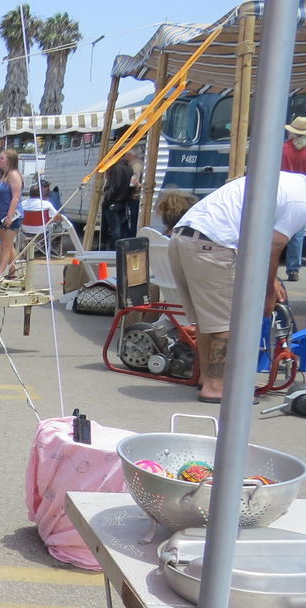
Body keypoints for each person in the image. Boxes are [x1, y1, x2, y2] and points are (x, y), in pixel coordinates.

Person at [166, 171, 306, 403]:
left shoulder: (285, 183)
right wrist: (268, 292)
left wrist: (269, 280)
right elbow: (273, 246)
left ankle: (209, 377)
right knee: (229, 321)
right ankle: (217, 385)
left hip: (184, 237)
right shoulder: (300, 202)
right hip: (212, 244)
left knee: (208, 320)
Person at [280, 116, 306, 281]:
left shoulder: (282, 149)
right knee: (297, 234)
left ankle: (266, 265)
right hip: (301, 194)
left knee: (274, 231)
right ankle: (293, 270)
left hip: (282, 191)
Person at [0, 148, 23, 276]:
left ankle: (0, 271)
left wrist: (9, 217)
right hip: (0, 215)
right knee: (8, 245)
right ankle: (13, 272)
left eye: (2, 158)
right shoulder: (3, 176)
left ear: (9, 160)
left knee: (5, 246)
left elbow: (16, 197)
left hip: (11, 216)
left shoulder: (14, 175)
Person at [103, 148, 140, 245]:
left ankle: (115, 248)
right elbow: (131, 186)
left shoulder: (117, 168)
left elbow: (116, 186)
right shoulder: (129, 169)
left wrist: (108, 197)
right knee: (122, 227)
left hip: (114, 202)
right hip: (124, 202)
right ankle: (122, 246)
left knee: (115, 229)